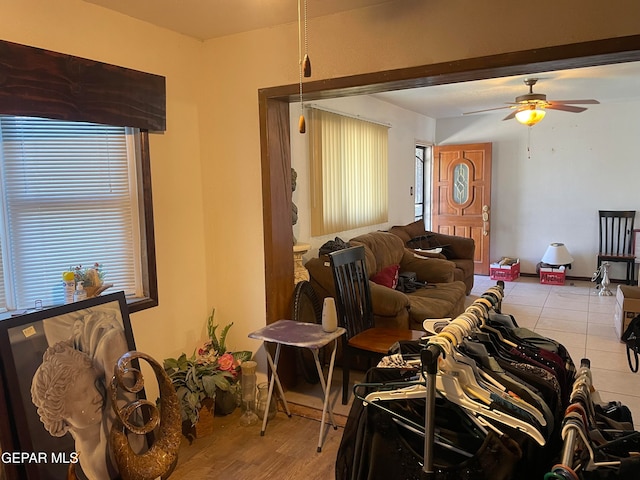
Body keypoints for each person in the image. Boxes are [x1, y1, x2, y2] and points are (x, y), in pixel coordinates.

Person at [31, 340, 115, 479]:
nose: (97, 395)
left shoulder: (83, 441)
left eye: (95, 383)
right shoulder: (102, 457)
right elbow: (113, 342)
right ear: (62, 411)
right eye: (84, 393)